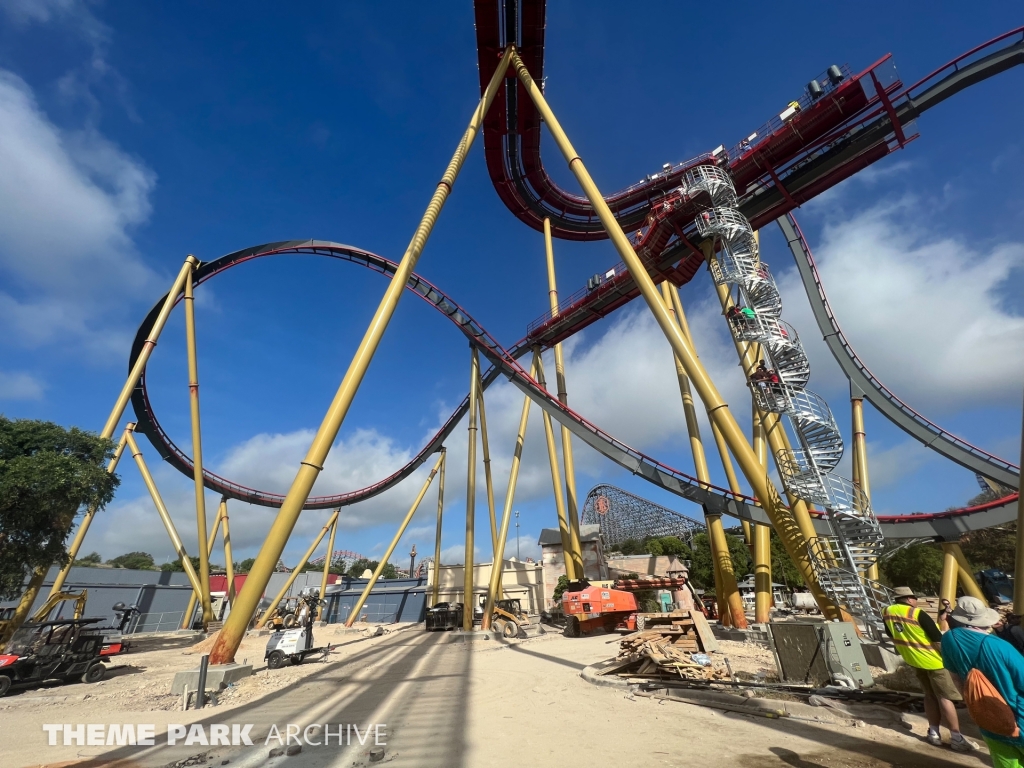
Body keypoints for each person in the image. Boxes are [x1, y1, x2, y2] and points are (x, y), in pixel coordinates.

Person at [882, 586, 977, 752]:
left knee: (929, 695)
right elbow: (937, 639)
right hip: (935, 661)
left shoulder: (887, 612)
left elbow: (891, 635)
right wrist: (951, 658)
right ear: (909, 599)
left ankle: (933, 733)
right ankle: (956, 737)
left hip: (913, 660)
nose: (916, 601)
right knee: (945, 698)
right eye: (914, 598)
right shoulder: (917, 613)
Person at [942, 596, 1024, 765]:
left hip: (988, 720)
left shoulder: (949, 640)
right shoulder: (1000, 646)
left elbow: (956, 679)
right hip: (1020, 720)